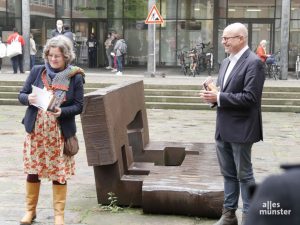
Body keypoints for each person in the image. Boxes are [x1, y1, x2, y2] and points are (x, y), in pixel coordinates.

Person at [200, 22, 265, 225]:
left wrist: (219, 97)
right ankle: (229, 215)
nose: (223, 41)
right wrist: (213, 94)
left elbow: (250, 98)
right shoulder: (226, 62)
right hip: (223, 126)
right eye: (223, 38)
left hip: (242, 128)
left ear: (241, 38)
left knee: (244, 174)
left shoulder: (254, 63)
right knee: (228, 174)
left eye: (227, 38)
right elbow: (226, 92)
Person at [18, 35, 85, 225]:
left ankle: (58, 215)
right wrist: (28, 98)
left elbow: (80, 106)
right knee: (33, 172)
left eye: (58, 56)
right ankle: (30, 211)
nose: (53, 59)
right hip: (36, 132)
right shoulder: (37, 71)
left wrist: (61, 111)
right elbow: (21, 94)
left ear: (66, 57)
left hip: (59, 134)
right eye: (50, 55)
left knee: (59, 174)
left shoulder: (75, 76)